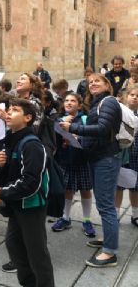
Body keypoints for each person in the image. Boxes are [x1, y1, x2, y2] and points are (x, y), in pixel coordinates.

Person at [60, 73, 121, 267]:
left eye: (97, 81)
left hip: (106, 160)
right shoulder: (98, 103)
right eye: (90, 82)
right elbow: (98, 133)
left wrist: (74, 128)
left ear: (107, 85)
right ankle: (107, 239)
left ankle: (110, 253)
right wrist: (79, 140)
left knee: (105, 206)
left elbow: (102, 128)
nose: (93, 84)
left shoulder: (109, 102)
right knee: (105, 203)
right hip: (100, 157)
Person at [0, 98, 54, 287]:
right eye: (9, 109)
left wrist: (4, 192)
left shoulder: (32, 144)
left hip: (31, 206)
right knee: (14, 246)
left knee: (37, 254)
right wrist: (1, 165)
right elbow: (12, 173)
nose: (9, 113)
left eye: (15, 110)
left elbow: (31, 183)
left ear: (27, 118)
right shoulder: (12, 140)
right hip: (18, 205)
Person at [51, 93, 96, 237]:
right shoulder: (58, 119)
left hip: (82, 160)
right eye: (66, 100)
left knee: (85, 189)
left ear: (80, 105)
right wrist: (60, 127)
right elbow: (54, 139)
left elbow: (91, 137)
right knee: (67, 189)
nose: (69, 103)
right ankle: (65, 217)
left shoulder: (84, 119)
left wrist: (77, 135)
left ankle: (87, 220)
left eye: (73, 101)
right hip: (65, 160)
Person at [115, 86, 138, 227]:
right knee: (118, 185)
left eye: (137, 95)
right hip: (122, 154)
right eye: (132, 94)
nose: (135, 97)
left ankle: (135, 214)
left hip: (136, 154)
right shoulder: (120, 113)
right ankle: (115, 214)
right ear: (126, 96)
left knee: (135, 186)